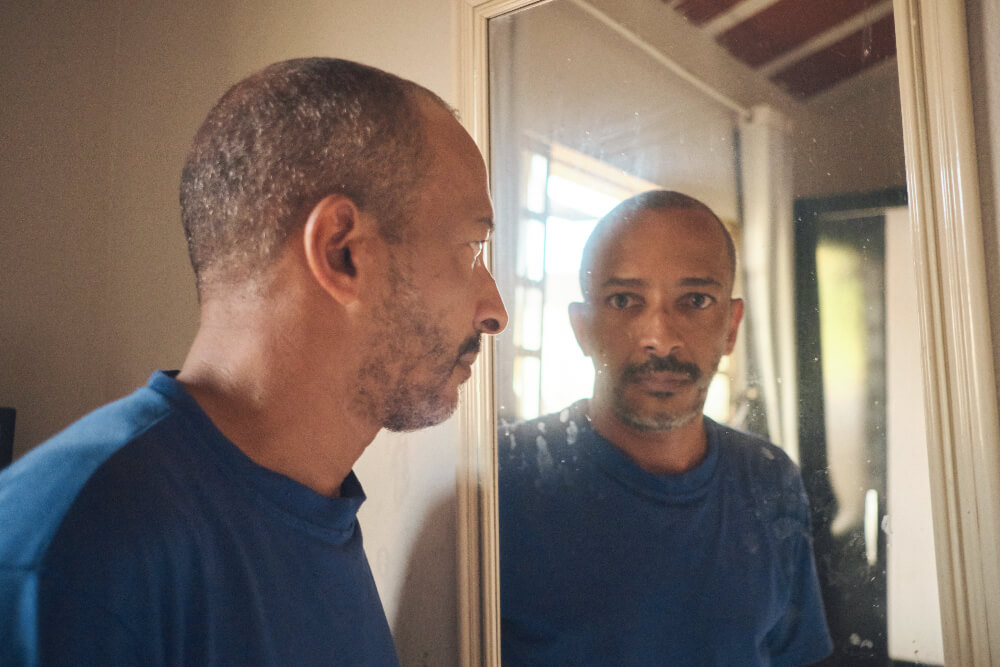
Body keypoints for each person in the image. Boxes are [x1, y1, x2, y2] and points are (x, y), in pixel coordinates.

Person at [0, 58, 507, 666]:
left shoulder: (314, 513)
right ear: (341, 252)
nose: (495, 310)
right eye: (470, 248)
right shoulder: (67, 556)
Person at [498, 190, 832, 665]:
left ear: (731, 326)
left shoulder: (770, 478)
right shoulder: (502, 477)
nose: (661, 337)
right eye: (624, 300)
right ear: (583, 327)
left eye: (695, 299)